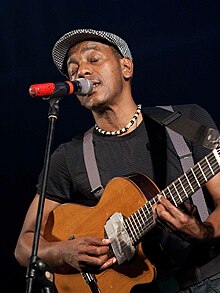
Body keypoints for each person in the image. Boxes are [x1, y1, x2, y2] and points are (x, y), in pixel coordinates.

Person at [15, 28, 220, 293]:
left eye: (93, 59)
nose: (82, 72)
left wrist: (203, 232)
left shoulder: (188, 121)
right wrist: (65, 251)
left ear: (126, 67)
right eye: (73, 68)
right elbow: (24, 246)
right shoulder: (68, 157)